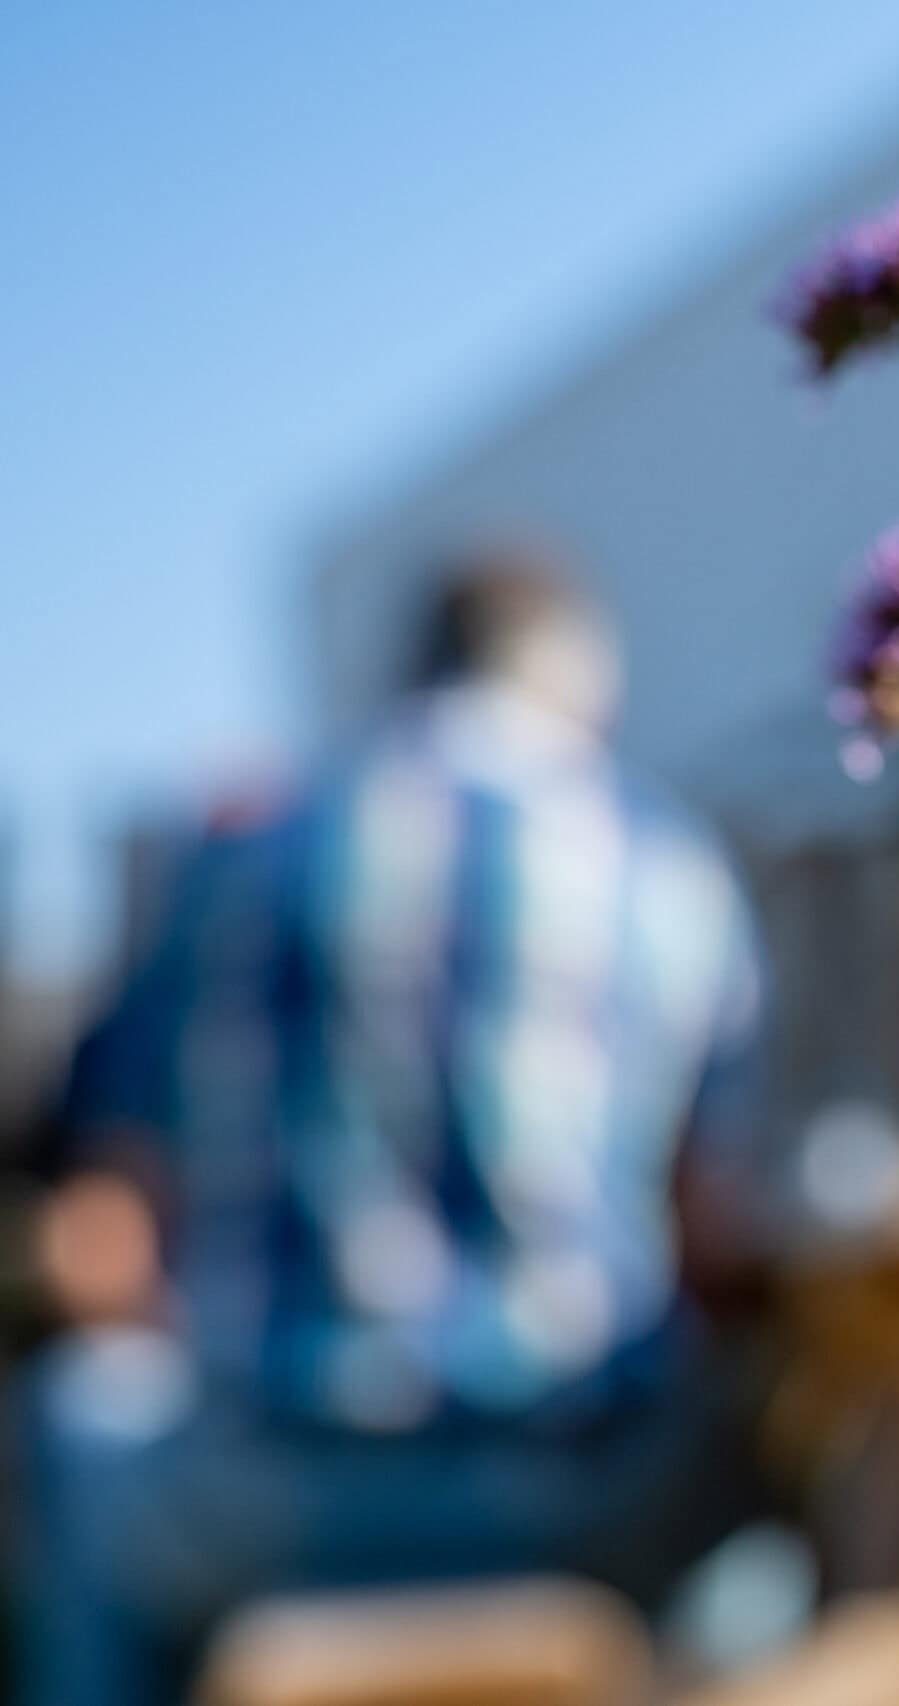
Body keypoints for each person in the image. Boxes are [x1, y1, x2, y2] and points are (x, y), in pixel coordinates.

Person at [16, 554, 769, 1706]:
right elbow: (709, 1238)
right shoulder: (669, 864)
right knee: (754, 1457)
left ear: (410, 668)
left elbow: (102, 1235)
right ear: (578, 684)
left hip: (265, 1499)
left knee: (80, 1414)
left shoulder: (240, 856)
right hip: (584, 1495)